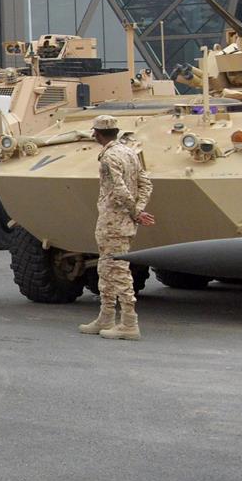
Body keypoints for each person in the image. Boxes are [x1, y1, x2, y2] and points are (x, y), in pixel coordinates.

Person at [85, 115, 154, 340]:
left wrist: (136, 212)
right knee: (105, 268)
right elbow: (146, 183)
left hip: (113, 222)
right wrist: (138, 210)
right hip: (122, 221)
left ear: (97, 133)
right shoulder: (130, 152)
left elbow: (119, 189)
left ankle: (129, 323)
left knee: (119, 271)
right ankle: (106, 317)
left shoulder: (109, 157)